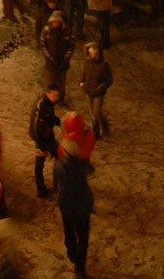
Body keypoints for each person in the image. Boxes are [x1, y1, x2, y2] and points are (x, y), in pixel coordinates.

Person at [53, 116, 95, 278]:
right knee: (83, 236)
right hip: (81, 204)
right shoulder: (82, 167)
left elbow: (56, 179)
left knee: (68, 230)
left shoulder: (59, 164)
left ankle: (70, 250)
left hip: (65, 202)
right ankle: (79, 268)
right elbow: (89, 168)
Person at [30, 88, 61, 197]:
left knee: (59, 156)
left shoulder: (46, 102)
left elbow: (51, 117)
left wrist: (61, 123)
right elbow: (37, 127)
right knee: (40, 164)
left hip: (46, 135)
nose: (57, 98)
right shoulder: (42, 105)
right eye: (55, 96)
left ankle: (55, 186)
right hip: (42, 138)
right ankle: (42, 190)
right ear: (48, 93)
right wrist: (40, 147)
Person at [80, 42, 113, 139]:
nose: (90, 54)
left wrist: (100, 88)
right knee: (92, 114)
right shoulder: (87, 61)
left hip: (99, 93)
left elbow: (109, 80)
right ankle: (96, 133)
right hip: (88, 90)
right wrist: (81, 82)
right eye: (89, 52)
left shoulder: (104, 65)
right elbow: (84, 73)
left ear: (97, 52)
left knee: (96, 112)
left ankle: (105, 126)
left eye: (92, 52)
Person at [40, 10, 74, 103]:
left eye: (57, 21)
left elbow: (71, 46)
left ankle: (61, 100)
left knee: (61, 84)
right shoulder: (46, 30)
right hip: (51, 63)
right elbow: (43, 45)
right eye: (53, 21)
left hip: (63, 63)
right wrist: (49, 58)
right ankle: (49, 101)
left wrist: (66, 58)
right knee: (50, 83)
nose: (54, 24)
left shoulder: (67, 31)